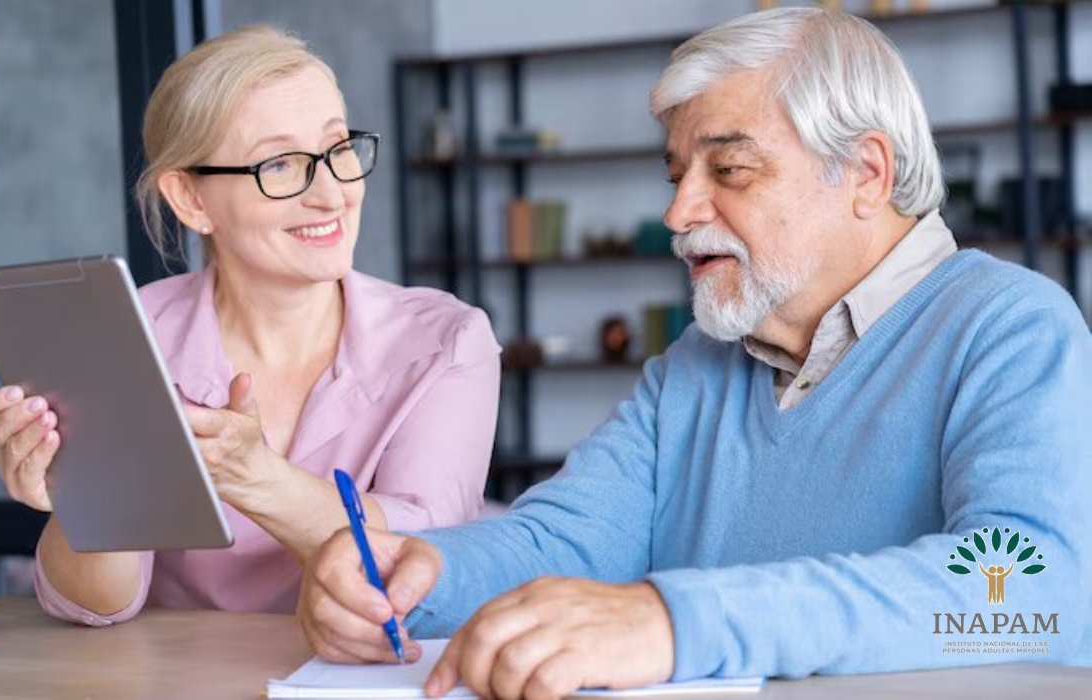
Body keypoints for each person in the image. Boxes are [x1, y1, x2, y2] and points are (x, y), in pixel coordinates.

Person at [298, 7, 1092, 698]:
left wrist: (675, 621)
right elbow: (567, 540)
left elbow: (1027, 592)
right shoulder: (699, 363)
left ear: (864, 173)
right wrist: (418, 575)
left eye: (730, 169)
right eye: (677, 173)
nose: (679, 211)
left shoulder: (1011, 328)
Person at [0, 25, 501, 626]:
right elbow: (98, 607)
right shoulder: (133, 335)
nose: (332, 194)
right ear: (191, 200)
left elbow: (424, 570)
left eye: (338, 150)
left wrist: (258, 480)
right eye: (280, 165)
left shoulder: (446, 342)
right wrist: (85, 502)